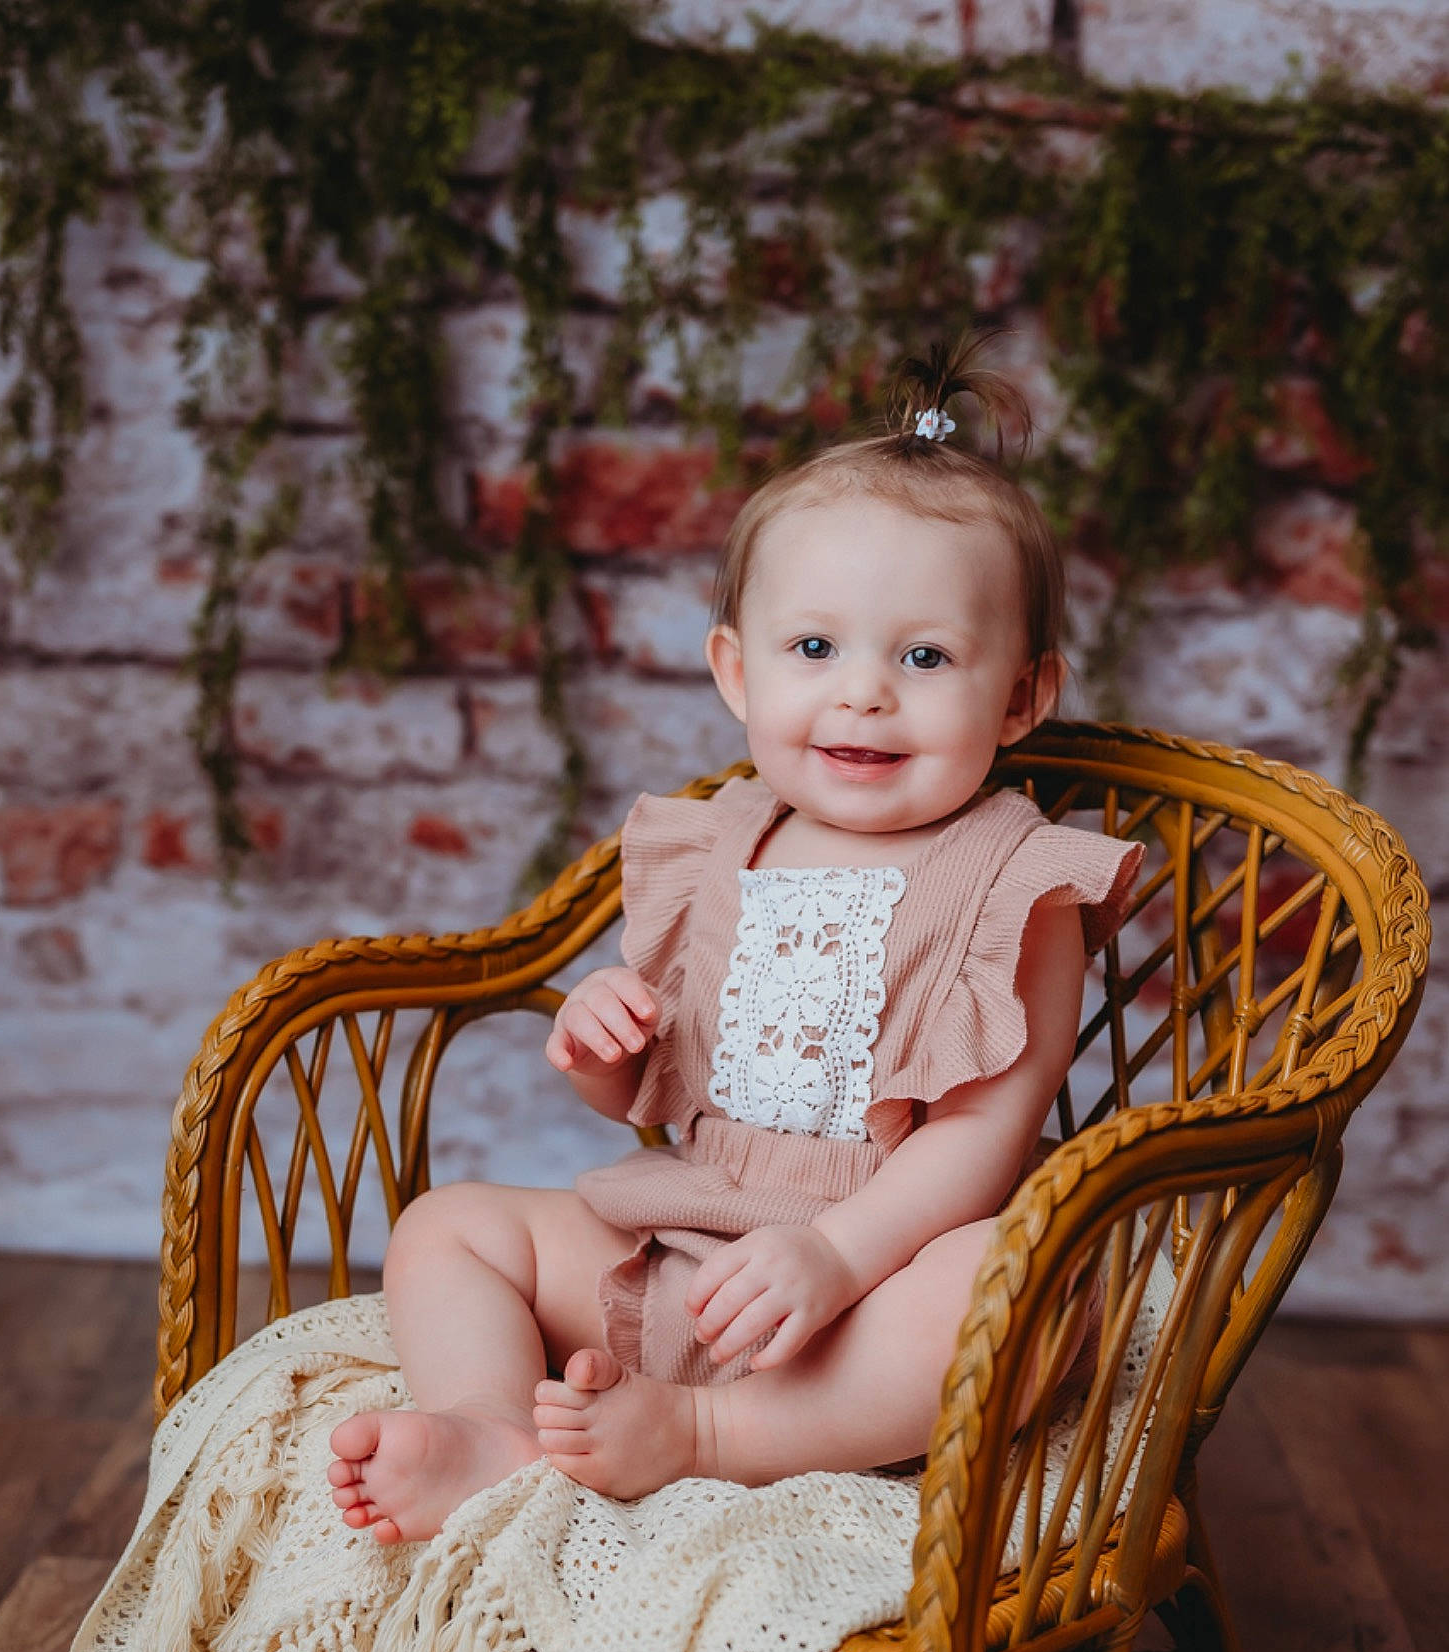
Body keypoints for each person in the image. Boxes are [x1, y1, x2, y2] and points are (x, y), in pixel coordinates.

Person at [327, 340, 1144, 1542]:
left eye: (923, 657)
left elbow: (982, 1138)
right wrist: (603, 1038)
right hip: (677, 1242)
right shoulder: (717, 843)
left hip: (864, 1288)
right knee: (448, 1225)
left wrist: (830, 1252)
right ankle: (492, 1425)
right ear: (736, 670)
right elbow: (653, 1093)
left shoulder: (1017, 881)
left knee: (1008, 1288)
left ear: (1020, 697)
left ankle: (709, 1436)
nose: (863, 693)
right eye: (813, 649)